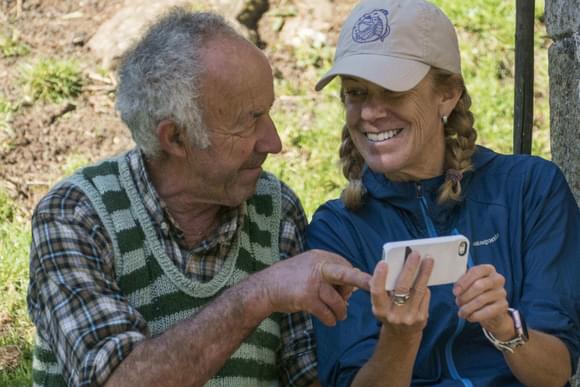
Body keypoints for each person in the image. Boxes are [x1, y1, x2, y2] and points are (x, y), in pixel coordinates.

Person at [27, 9, 371, 387]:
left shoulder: (274, 209)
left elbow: (305, 377)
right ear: (175, 138)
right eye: (249, 120)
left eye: (269, 113)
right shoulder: (77, 215)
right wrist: (260, 293)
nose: (274, 142)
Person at [306, 0, 580, 386]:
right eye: (357, 93)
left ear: (447, 95)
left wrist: (504, 328)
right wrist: (400, 337)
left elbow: (555, 373)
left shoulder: (530, 189)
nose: (370, 113)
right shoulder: (336, 229)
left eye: (393, 91)